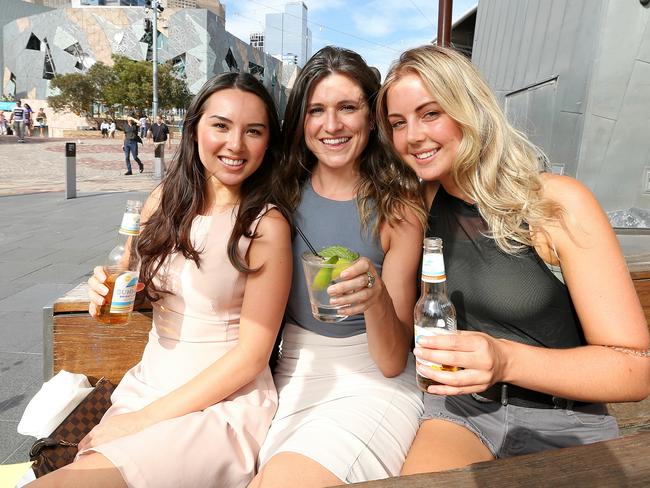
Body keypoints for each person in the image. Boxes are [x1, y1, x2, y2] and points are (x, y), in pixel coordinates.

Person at [376, 44, 650, 473]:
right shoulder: (417, 206)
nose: (412, 136)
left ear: (469, 109)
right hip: (461, 414)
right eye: (398, 123)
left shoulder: (555, 203)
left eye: (431, 114)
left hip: (563, 419)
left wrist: (504, 359)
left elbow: (634, 371)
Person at [28, 72, 292, 488]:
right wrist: (105, 292)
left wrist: (140, 421)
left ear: (268, 143)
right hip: (147, 387)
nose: (236, 145)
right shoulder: (162, 201)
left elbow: (251, 357)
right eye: (220, 125)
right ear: (195, 128)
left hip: (219, 406)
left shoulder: (264, 225)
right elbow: (136, 284)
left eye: (253, 131)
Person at [251, 46, 425, 487]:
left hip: (371, 383)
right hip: (289, 377)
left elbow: (390, 361)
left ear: (371, 116)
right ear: (301, 121)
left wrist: (376, 296)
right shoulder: (278, 192)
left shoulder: (399, 208)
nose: (332, 125)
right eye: (316, 110)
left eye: (347, 107)